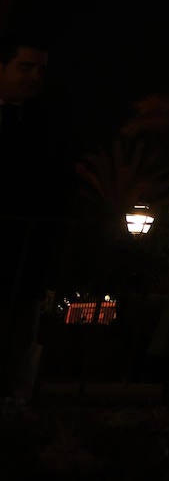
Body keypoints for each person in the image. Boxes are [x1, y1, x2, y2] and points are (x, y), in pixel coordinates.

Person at [0, 32, 79, 405]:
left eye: (40, 70)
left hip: (23, 257)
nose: (33, 76)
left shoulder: (47, 125)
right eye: (25, 67)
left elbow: (58, 191)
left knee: (16, 343)